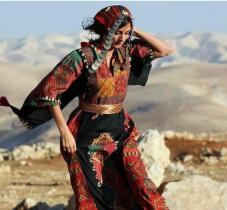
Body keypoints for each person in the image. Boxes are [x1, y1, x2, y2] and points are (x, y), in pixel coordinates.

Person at [0, 5, 173, 210]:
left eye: (126, 34)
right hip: (85, 132)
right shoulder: (82, 57)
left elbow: (165, 50)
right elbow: (50, 93)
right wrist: (64, 131)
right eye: (117, 32)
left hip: (120, 129)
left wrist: (132, 29)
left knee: (141, 185)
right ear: (105, 30)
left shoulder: (127, 52)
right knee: (91, 195)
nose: (122, 38)